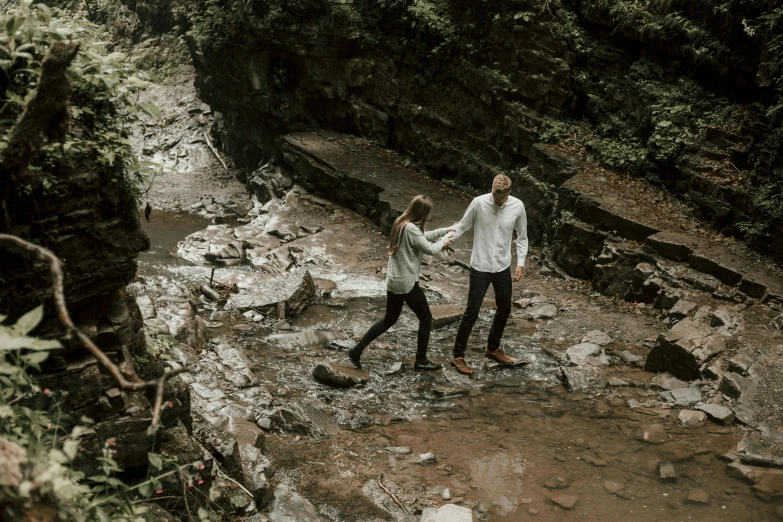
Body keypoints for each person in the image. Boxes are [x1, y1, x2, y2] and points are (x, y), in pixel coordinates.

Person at [348, 195, 457, 371]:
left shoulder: (402, 223)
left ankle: (357, 349)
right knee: (426, 318)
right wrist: (444, 241)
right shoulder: (410, 228)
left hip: (395, 281)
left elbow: (423, 237)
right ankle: (421, 361)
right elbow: (429, 249)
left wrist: (446, 230)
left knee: (389, 319)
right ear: (421, 213)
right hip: (406, 283)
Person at [448, 173, 528, 376]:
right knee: (471, 311)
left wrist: (520, 263)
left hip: (502, 266)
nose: (496, 200)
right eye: (494, 195)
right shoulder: (478, 202)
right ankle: (457, 356)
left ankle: (492, 348)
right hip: (480, 266)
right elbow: (463, 225)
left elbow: (522, 236)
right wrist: (447, 239)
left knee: (504, 309)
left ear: (509, 193)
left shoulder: (517, 206)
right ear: (492, 189)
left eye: (500, 198)